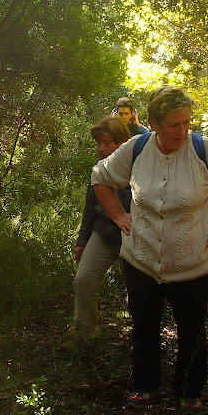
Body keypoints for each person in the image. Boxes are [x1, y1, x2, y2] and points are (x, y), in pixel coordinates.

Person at [92, 86, 208, 412]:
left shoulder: (203, 150)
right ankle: (144, 387)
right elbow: (100, 176)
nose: (183, 131)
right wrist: (118, 215)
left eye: (186, 122)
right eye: (174, 124)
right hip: (140, 260)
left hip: (193, 266)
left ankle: (189, 393)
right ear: (154, 122)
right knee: (143, 326)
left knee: (192, 332)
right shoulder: (137, 148)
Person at [72, 116, 131, 339]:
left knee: (138, 290)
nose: (101, 148)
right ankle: (84, 336)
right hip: (104, 233)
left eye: (107, 143)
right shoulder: (98, 169)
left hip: (133, 236)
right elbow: (90, 207)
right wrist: (82, 241)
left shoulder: (140, 168)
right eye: (99, 143)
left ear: (123, 143)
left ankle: (142, 337)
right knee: (84, 279)